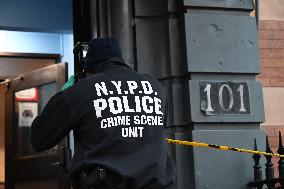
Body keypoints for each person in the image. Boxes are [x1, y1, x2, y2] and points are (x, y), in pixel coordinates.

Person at [30, 37, 176, 189]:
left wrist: (64, 96)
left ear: (88, 69)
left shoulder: (82, 90)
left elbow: (39, 139)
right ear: (119, 60)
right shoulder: (155, 87)